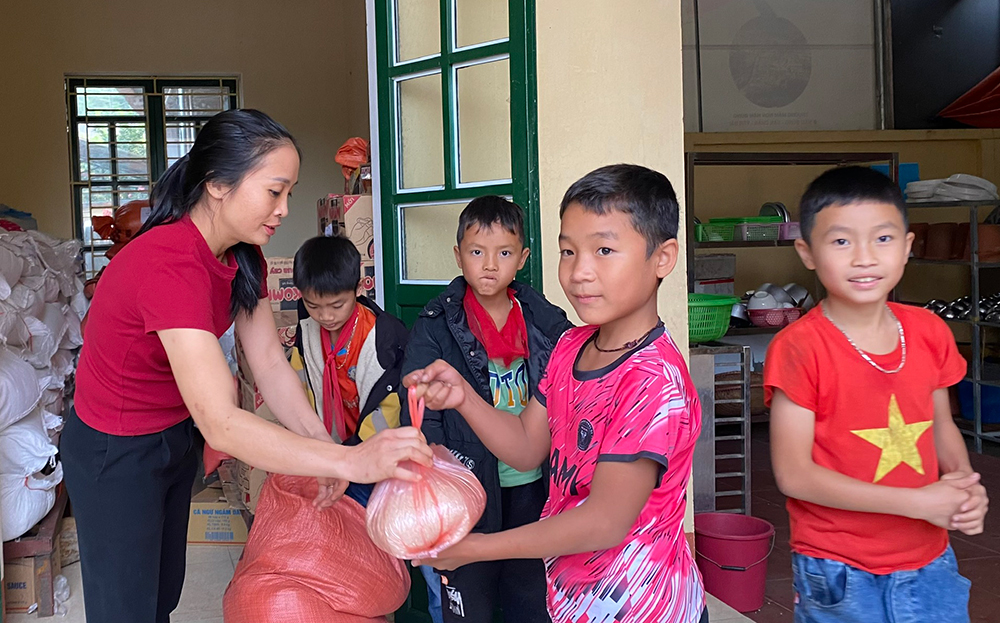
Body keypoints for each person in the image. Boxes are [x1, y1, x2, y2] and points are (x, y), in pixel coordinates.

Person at [61, 109, 432, 623]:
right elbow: (222, 421)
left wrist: (324, 448)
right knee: (126, 610)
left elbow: (271, 367)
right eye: (274, 191)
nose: (282, 210)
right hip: (114, 450)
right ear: (217, 184)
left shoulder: (243, 257)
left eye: (290, 194)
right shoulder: (168, 263)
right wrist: (350, 462)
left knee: (161, 595)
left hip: (172, 434)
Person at [404, 166, 707, 623]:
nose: (580, 272)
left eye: (604, 250)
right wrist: (464, 396)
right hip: (571, 599)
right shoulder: (569, 347)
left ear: (662, 258)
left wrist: (476, 549)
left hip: (642, 607)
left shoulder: (652, 379)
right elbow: (528, 449)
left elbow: (604, 522)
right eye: (568, 251)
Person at [763, 166, 989, 623]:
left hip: (930, 560)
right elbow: (794, 475)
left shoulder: (929, 332)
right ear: (807, 252)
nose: (864, 257)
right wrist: (918, 503)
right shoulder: (799, 348)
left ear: (906, 247)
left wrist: (963, 488)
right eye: (841, 241)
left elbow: (942, 425)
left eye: (883, 239)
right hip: (838, 568)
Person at [401, 195, 572, 623]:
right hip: (469, 487)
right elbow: (422, 412)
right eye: (477, 252)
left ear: (523, 259)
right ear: (459, 256)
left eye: (504, 253)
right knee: (469, 599)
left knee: (530, 596)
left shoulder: (545, 322)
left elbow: (569, 396)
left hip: (534, 485)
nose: (490, 264)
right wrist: (438, 482)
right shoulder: (436, 324)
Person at [288, 235, 410, 507]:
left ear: (358, 288)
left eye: (336, 305)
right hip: (328, 446)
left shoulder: (382, 337)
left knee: (364, 510)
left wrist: (353, 455)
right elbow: (299, 383)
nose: (325, 316)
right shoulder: (307, 330)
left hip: (373, 448)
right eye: (313, 305)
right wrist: (312, 442)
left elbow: (388, 409)